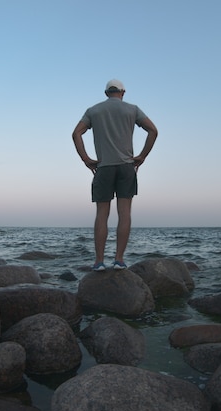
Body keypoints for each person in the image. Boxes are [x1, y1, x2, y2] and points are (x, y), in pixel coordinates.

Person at [72, 79, 158, 271]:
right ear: (123, 92)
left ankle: (99, 262)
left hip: (103, 167)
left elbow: (76, 133)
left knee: (102, 215)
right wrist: (142, 156)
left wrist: (86, 159)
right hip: (127, 167)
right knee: (124, 214)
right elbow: (153, 131)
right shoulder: (133, 109)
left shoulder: (93, 110)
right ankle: (119, 260)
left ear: (106, 93)